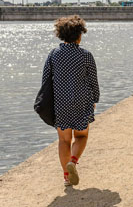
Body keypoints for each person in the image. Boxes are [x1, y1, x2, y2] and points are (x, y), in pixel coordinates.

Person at [42, 15, 99, 187]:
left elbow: (46, 80)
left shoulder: (53, 55)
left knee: (64, 140)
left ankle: (67, 177)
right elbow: (93, 82)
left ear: (61, 35)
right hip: (82, 101)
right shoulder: (86, 55)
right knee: (81, 135)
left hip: (60, 103)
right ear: (79, 35)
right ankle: (73, 162)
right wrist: (95, 99)